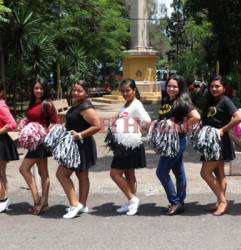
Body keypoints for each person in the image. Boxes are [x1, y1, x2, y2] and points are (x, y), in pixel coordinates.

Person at [156, 74, 200, 215]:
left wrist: (180, 127)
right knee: (178, 172)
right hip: (168, 140)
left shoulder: (182, 101)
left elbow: (196, 117)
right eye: (169, 85)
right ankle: (180, 201)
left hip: (177, 141)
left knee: (161, 172)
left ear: (180, 87)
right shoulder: (167, 99)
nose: (171, 88)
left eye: (175, 86)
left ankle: (175, 202)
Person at [56, 80, 101, 219]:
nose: (75, 92)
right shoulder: (78, 104)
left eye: (79, 91)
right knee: (82, 175)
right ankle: (82, 204)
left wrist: (79, 135)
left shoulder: (85, 106)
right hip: (77, 145)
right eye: (74, 90)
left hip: (81, 145)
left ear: (86, 92)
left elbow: (97, 125)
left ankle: (75, 205)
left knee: (62, 174)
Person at [200, 75, 241, 216]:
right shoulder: (212, 101)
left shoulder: (225, 101)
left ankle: (223, 201)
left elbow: (238, 117)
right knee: (219, 173)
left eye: (217, 86)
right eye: (212, 86)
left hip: (219, 142)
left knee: (205, 173)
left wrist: (223, 130)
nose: (214, 89)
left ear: (224, 88)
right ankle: (220, 201)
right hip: (211, 142)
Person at [110, 79, 151, 216]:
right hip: (124, 144)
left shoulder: (136, 104)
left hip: (130, 144)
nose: (125, 93)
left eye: (128, 90)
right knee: (129, 173)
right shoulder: (126, 104)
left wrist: (136, 130)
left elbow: (147, 121)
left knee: (114, 173)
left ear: (134, 90)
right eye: (122, 91)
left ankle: (133, 199)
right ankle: (131, 201)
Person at [19, 78, 59, 215]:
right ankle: (45, 203)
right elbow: (31, 118)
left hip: (41, 142)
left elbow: (55, 122)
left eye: (41, 88)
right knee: (43, 172)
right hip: (34, 142)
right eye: (36, 88)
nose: (38, 91)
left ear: (45, 89)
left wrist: (44, 132)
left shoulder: (47, 104)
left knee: (23, 169)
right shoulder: (32, 102)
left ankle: (37, 200)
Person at [0, 84, 19, 212]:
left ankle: (3, 200)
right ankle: (4, 198)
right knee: (1, 173)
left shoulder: (1, 105)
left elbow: (12, 123)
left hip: (1, 141)